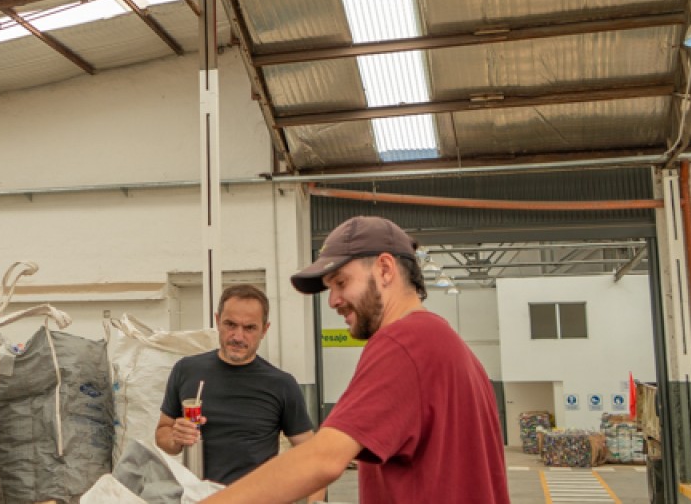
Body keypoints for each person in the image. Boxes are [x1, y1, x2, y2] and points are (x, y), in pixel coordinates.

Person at [204, 216, 510, 504]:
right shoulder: (453, 348)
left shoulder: (404, 342)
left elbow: (323, 459)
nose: (333, 300)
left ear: (385, 269)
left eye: (341, 282)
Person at [155, 285, 325, 501]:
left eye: (250, 328)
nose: (238, 336)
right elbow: (163, 434)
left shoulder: (281, 384)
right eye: (230, 324)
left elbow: (313, 456)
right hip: (197, 498)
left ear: (265, 329)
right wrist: (175, 438)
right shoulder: (187, 370)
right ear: (217, 321)